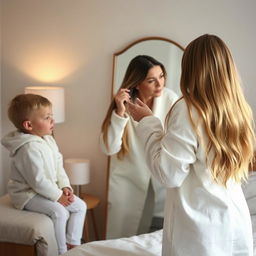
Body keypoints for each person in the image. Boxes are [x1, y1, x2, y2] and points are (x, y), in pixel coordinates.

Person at [127, 34, 255, 255]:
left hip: (201, 230)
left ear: (190, 68)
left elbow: (168, 174)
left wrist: (148, 122)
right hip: (235, 222)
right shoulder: (239, 109)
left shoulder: (188, 109)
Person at [100, 55, 178, 238]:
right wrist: (119, 113)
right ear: (136, 83)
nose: (160, 84)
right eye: (151, 80)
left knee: (157, 235)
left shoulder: (171, 99)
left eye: (161, 76)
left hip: (161, 176)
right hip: (129, 179)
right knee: (120, 235)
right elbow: (109, 148)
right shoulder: (124, 104)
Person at [1, 94, 87, 255]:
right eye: (47, 118)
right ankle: (62, 251)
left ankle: (72, 243)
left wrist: (65, 187)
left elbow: (58, 166)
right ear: (28, 125)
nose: (52, 121)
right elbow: (37, 181)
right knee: (59, 211)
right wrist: (57, 196)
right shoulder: (27, 148)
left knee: (81, 206)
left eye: (51, 116)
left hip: (47, 190)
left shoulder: (48, 139)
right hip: (27, 194)